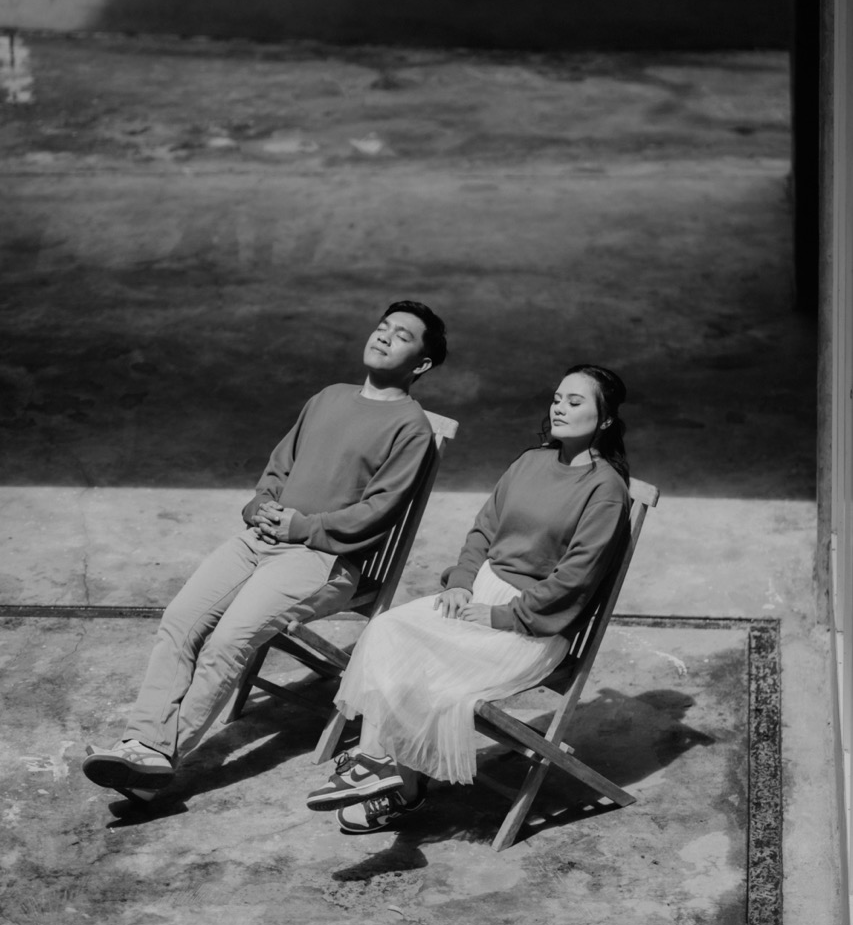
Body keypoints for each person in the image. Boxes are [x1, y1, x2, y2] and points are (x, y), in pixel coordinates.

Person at [82, 300, 448, 801]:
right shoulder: (328, 397)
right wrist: (261, 506)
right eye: (382, 327)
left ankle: (157, 755)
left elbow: (378, 513)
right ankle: (142, 746)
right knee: (180, 621)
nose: (384, 336)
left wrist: (303, 526)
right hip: (260, 539)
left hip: (322, 560)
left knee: (227, 641)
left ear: (421, 364)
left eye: (402, 335)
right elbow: (278, 466)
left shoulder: (411, 428)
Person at [305, 363, 631, 834]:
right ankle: (378, 763)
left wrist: (502, 615)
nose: (559, 408)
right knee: (388, 628)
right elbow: (484, 529)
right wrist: (460, 582)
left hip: (531, 625)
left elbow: (575, 580)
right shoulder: (529, 462)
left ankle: (401, 786)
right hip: (478, 593)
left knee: (431, 675)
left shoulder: (606, 490)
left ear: (605, 419)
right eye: (557, 398)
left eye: (575, 402)